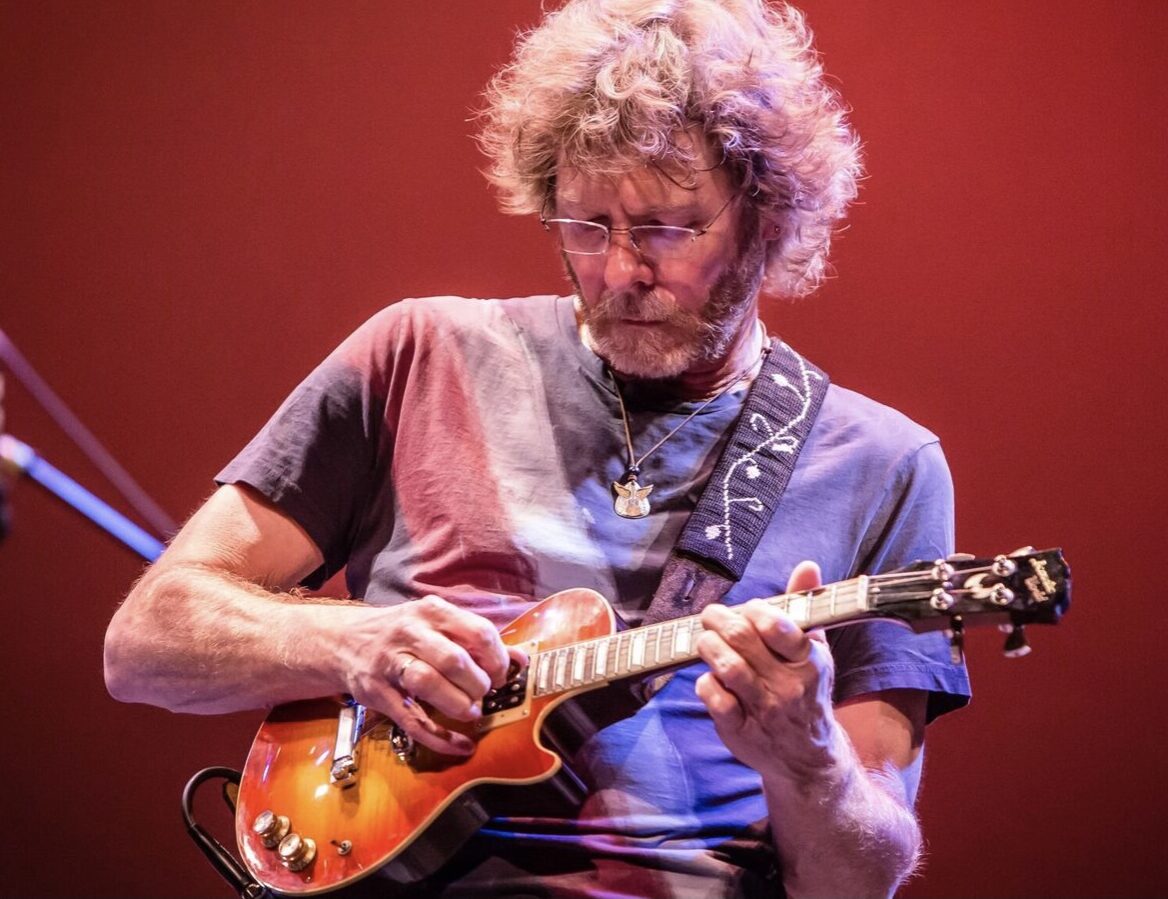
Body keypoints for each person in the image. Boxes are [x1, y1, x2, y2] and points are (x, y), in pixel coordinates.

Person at [104, 1, 969, 896]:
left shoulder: (884, 465)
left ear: (766, 217)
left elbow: (858, 881)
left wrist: (809, 759)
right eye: (585, 225)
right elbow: (145, 641)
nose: (621, 270)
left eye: (670, 228)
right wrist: (351, 641)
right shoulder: (417, 353)